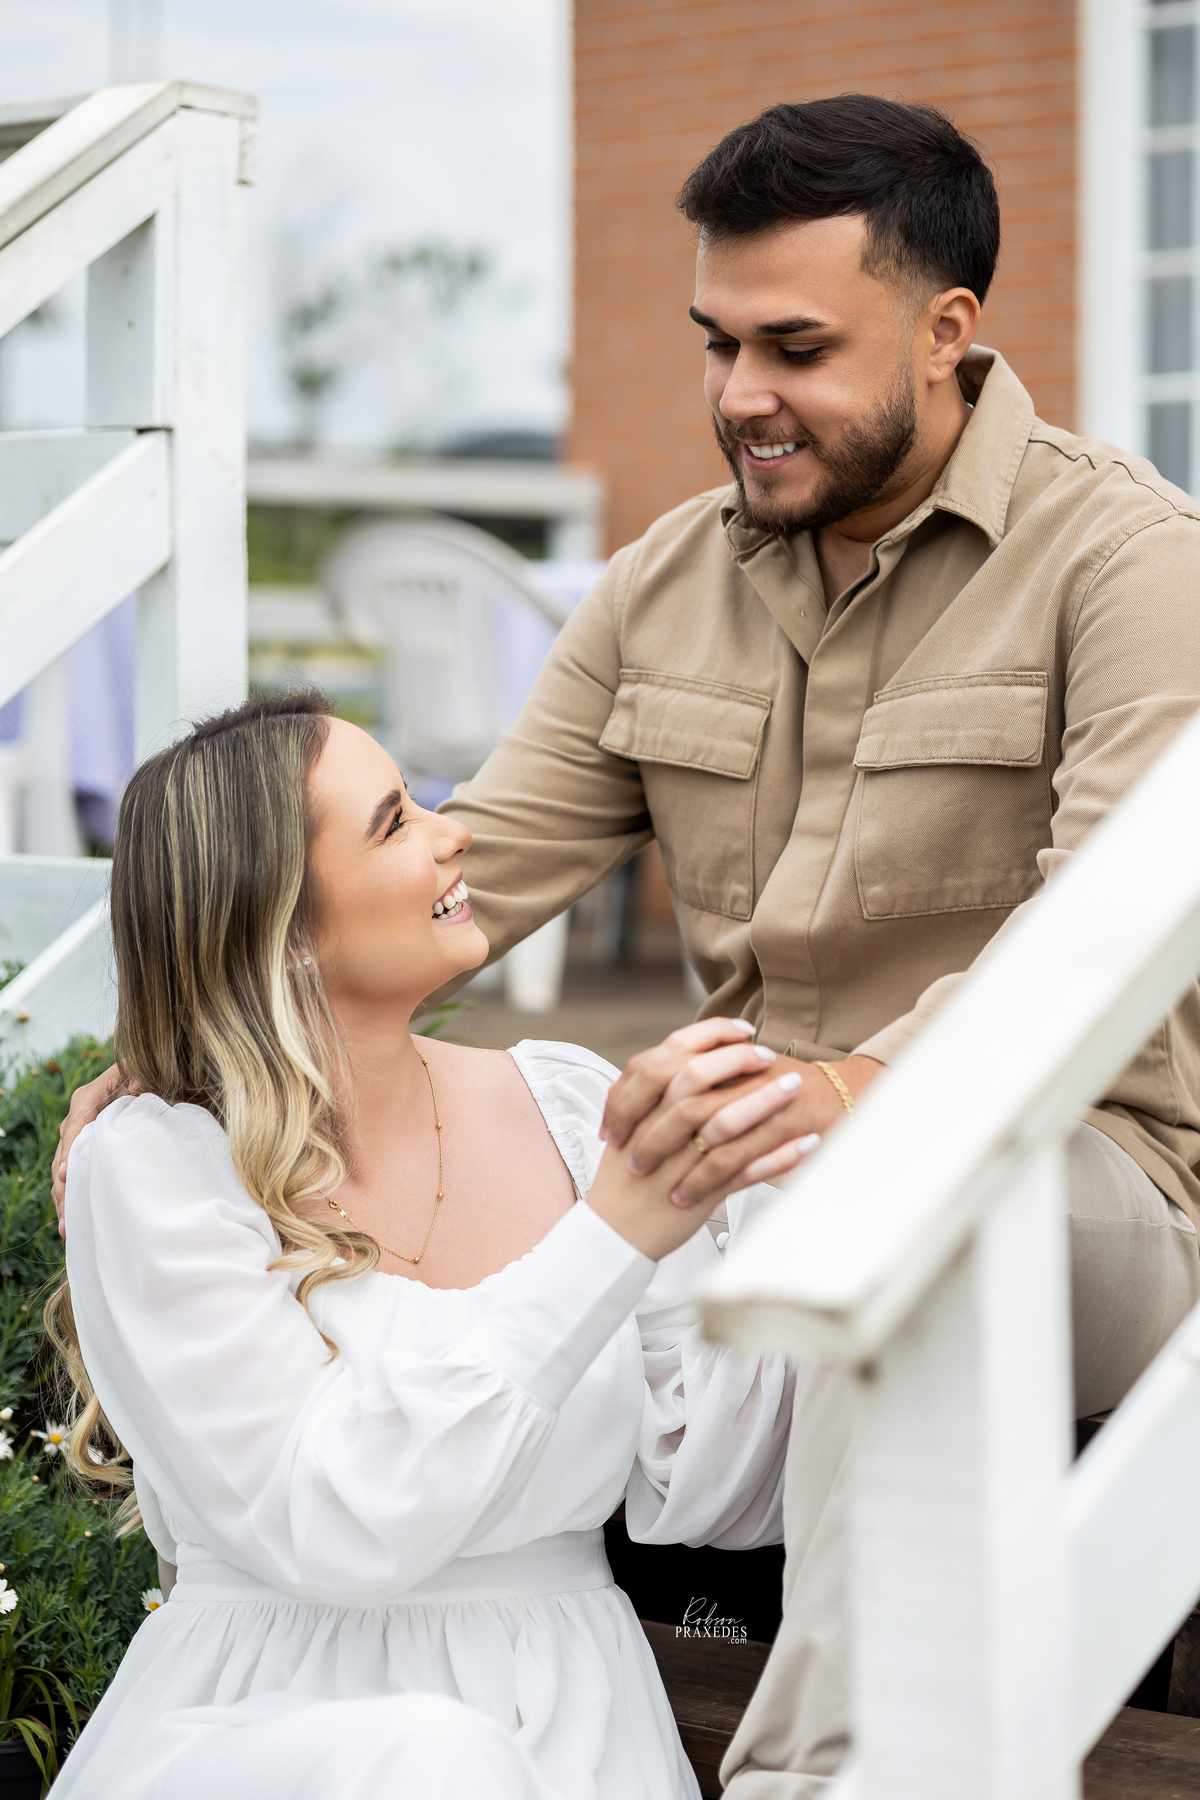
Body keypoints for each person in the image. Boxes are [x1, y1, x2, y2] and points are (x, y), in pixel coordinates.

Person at [57, 93, 1200, 1794]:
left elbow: (1104, 942)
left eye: (796, 346)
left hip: (1087, 1186)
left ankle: (825, 1777)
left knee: (926, 1197)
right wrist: (180, 1031)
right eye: (718, 340)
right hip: (763, 1186)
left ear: (950, 331)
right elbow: (458, 865)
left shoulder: (1127, 559)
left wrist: (854, 1097)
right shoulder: (663, 586)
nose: (741, 392)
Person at [49, 692, 813, 1800]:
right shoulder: (156, 1165)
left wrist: (781, 1169)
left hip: (578, 1719)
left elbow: (716, 1486)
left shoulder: (569, 1106)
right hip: (277, 1723)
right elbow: (333, 1521)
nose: (455, 832)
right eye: (396, 821)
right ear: (285, 925)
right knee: (431, 1762)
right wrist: (611, 1238)